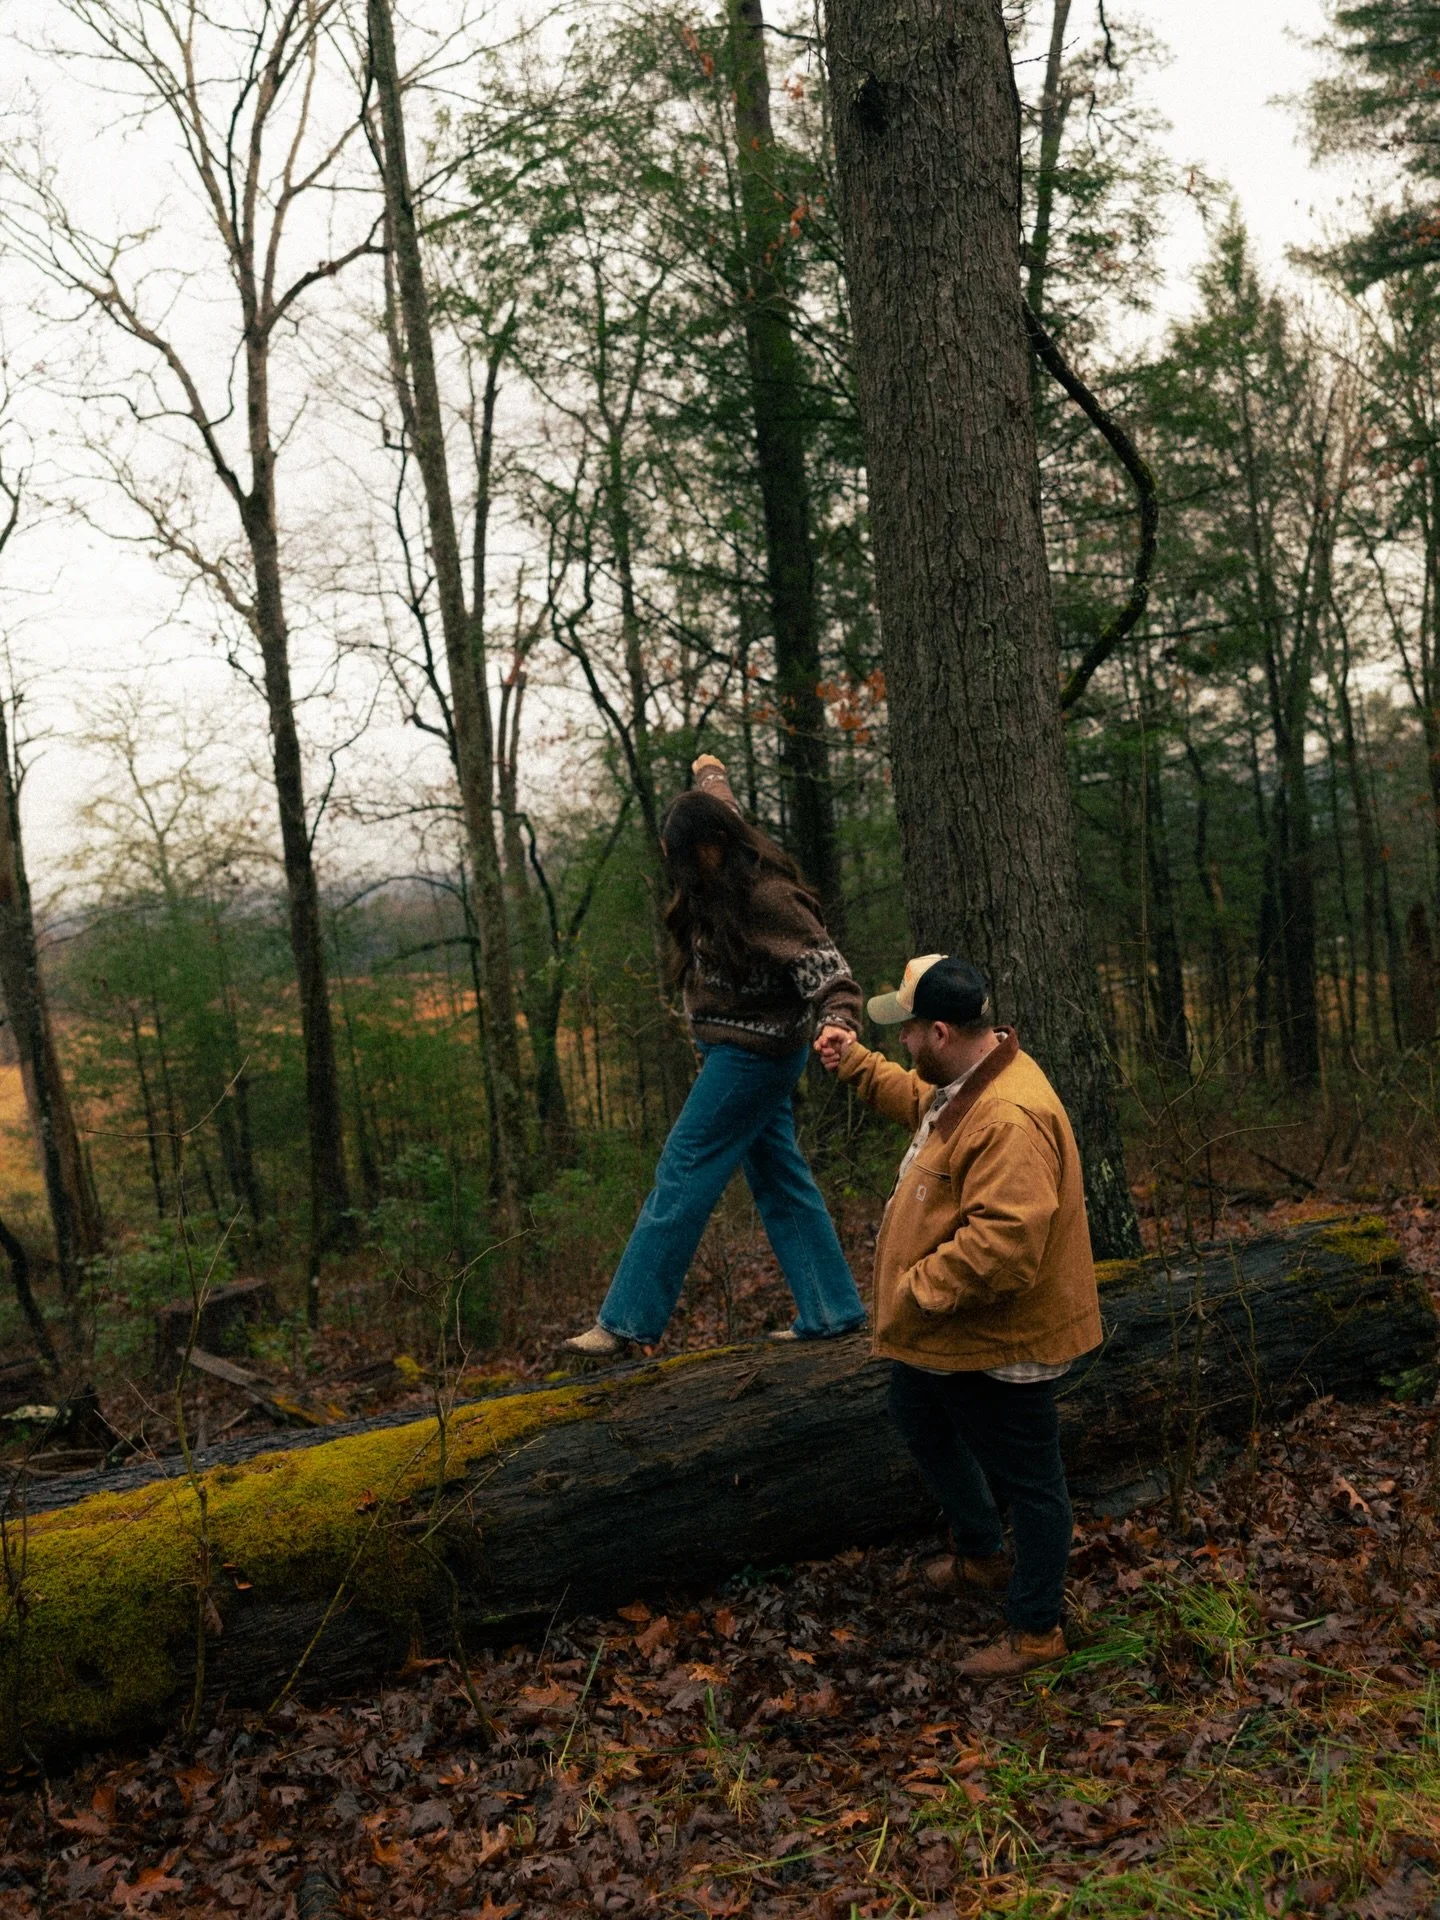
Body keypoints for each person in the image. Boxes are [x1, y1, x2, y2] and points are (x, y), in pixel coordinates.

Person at [815, 953, 1102, 1680]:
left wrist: (914, 1289)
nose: (903, 1045)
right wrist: (854, 1064)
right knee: (917, 1416)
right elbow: (920, 1102)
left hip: (996, 1340)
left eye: (907, 1032)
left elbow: (1005, 1245)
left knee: (1035, 1486)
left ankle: (1037, 1631)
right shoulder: (972, 1078)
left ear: (940, 1030)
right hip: (949, 1335)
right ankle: (982, 1554)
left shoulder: (1008, 1115)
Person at [562, 755, 867, 1358]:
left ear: (711, 847)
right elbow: (719, 801)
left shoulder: (768, 898)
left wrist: (837, 1026)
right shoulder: (717, 843)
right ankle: (833, 1310)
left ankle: (625, 1323)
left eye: (681, 855)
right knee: (779, 1177)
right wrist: (710, 770)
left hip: (751, 1057)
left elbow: (834, 979)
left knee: (684, 1166)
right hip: (734, 1051)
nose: (677, 870)